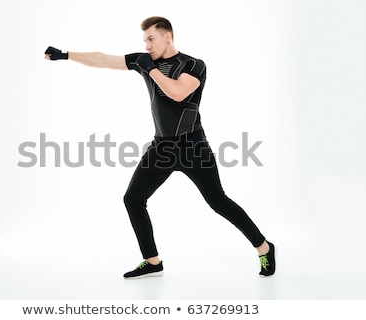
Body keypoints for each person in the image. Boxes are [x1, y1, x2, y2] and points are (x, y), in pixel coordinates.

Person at [44, 16, 275, 279]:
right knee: (133, 199)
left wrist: (150, 69)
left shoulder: (193, 65)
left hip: (192, 147)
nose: (146, 46)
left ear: (168, 36)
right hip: (162, 148)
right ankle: (152, 261)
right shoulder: (145, 61)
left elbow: (178, 93)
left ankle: (264, 248)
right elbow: (102, 59)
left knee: (218, 201)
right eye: (144, 41)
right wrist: (65, 55)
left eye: (151, 39)